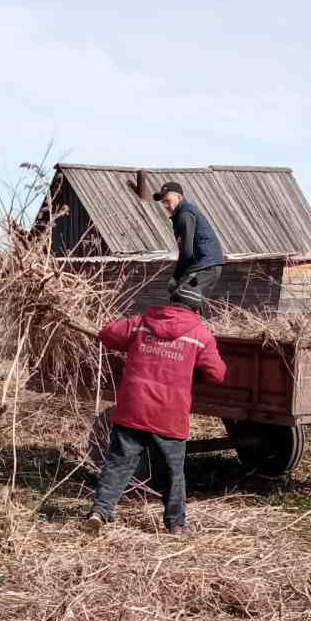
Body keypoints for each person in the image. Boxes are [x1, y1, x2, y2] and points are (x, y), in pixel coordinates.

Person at [83, 287, 226, 535]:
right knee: (174, 472)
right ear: (197, 309)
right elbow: (217, 374)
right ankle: (177, 524)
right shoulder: (201, 336)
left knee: (118, 464)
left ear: (171, 301)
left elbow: (107, 334)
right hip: (169, 414)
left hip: (133, 409)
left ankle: (99, 512)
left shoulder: (141, 323)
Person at [153, 181, 225, 311]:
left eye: (168, 200)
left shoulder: (184, 215)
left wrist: (176, 277)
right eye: (163, 202)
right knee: (195, 305)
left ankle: (189, 329)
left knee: (183, 300)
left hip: (205, 265)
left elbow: (186, 251)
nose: (165, 205)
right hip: (207, 265)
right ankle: (198, 329)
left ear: (179, 198)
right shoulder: (183, 212)